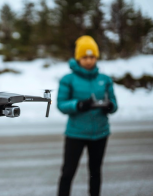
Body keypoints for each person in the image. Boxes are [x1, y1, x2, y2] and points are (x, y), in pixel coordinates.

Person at [56, 35, 118, 196]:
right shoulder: (68, 79)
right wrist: (78, 105)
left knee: (95, 172)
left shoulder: (105, 79)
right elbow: (61, 104)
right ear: (78, 58)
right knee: (68, 172)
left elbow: (114, 103)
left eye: (92, 57)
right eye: (85, 57)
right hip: (76, 133)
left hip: (100, 133)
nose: (89, 60)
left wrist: (109, 106)